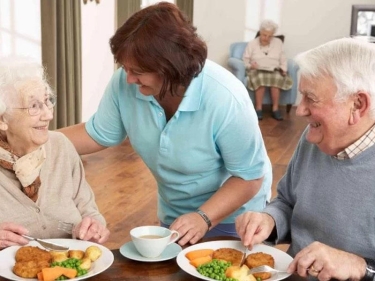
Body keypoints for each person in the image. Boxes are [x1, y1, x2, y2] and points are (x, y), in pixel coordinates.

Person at [59, 2, 272, 246]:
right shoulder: (126, 83)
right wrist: (34, 140)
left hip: (235, 218)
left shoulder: (225, 97)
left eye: (137, 71)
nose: (128, 78)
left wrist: (204, 217)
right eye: (124, 68)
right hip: (176, 214)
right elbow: (97, 134)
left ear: (170, 67)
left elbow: (249, 177)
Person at [235, 37, 375, 281]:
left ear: (358, 105)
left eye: (311, 98)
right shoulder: (314, 138)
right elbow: (288, 201)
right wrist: (270, 219)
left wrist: (360, 267)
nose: (300, 110)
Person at [0, 57, 110, 249]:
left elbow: (89, 211)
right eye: (34, 106)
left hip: (70, 271)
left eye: (47, 101)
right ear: (2, 119)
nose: (49, 115)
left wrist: (94, 227)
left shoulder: (60, 146)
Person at [243, 19, 293, 121]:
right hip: (256, 70)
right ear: (260, 32)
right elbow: (245, 59)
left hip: (273, 69)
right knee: (260, 78)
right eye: (264, 35)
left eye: (270, 36)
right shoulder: (252, 43)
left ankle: (275, 109)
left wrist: (283, 69)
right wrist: (250, 65)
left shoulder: (278, 42)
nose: (266, 38)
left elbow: (283, 58)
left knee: (277, 79)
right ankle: (258, 108)